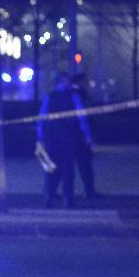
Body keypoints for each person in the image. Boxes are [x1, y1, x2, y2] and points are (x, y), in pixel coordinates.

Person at [37, 72, 90, 208]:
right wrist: (87, 136)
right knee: (68, 169)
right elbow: (82, 117)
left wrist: (40, 136)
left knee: (50, 168)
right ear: (62, 81)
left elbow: (42, 117)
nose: (69, 84)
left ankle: (49, 196)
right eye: (67, 81)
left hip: (52, 138)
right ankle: (67, 199)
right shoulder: (73, 96)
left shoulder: (50, 96)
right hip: (68, 137)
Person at [71, 72, 100, 199]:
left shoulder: (61, 94)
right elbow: (82, 117)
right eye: (85, 82)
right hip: (79, 136)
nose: (88, 84)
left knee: (65, 166)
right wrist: (88, 136)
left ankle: (53, 194)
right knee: (85, 165)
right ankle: (89, 191)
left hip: (67, 135)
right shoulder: (79, 95)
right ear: (80, 82)